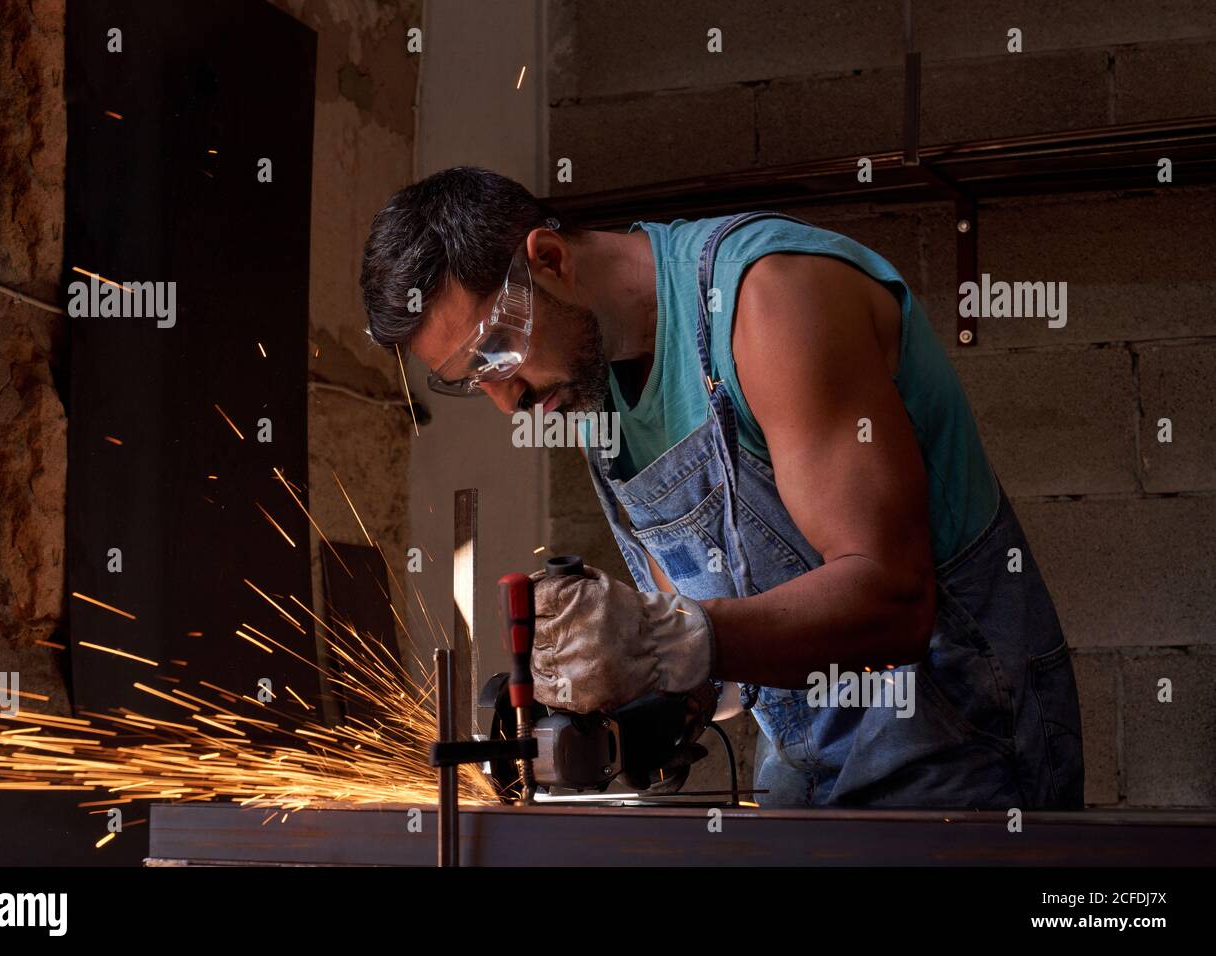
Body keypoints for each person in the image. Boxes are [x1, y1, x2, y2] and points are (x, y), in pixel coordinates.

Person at [360, 166, 1084, 809]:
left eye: (497, 351)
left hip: (959, 747)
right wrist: (620, 695)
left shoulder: (771, 300)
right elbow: (713, 648)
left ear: (548, 259)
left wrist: (665, 637)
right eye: (472, 379)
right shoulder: (587, 386)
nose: (504, 399)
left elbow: (892, 600)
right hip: (808, 759)